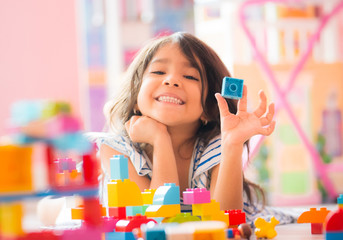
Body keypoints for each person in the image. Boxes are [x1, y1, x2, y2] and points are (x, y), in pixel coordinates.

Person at [93, 32, 296, 224]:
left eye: (190, 76)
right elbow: (156, 223)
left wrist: (232, 144)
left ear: (208, 108)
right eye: (158, 71)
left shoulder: (214, 147)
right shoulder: (116, 150)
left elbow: (225, 223)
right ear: (135, 97)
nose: (171, 80)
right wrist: (160, 139)